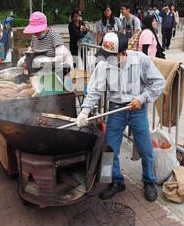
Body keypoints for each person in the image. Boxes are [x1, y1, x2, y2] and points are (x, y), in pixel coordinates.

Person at [77, 32, 166, 201]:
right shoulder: (103, 65)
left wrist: (142, 98)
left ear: (122, 54)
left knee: (145, 148)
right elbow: (95, 89)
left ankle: (148, 181)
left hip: (137, 108)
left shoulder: (140, 60)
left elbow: (159, 82)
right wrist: (84, 111)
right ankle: (116, 181)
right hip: (116, 108)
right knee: (110, 148)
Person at [18, 12, 72, 79]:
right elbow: (32, 51)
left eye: (38, 31)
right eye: (35, 31)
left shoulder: (54, 35)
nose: (36, 34)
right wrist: (24, 59)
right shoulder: (35, 36)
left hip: (55, 71)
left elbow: (61, 56)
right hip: (39, 70)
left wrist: (49, 64)